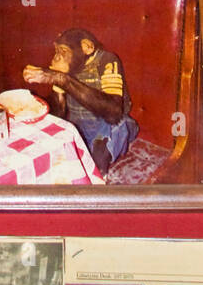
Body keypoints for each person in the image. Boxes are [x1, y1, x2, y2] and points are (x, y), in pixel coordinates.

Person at [22, 27, 138, 176]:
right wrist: (57, 82)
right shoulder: (68, 68)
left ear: (87, 48)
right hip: (80, 125)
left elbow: (113, 113)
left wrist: (61, 79)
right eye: (56, 51)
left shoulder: (106, 60)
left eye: (63, 52)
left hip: (109, 125)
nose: (57, 57)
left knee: (96, 158)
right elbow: (59, 113)